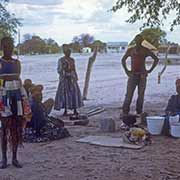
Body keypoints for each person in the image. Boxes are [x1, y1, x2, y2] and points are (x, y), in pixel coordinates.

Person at [0, 37, 27, 168]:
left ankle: (14, 158)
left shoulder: (17, 63)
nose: (8, 49)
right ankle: (4, 158)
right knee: (4, 129)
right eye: (6, 46)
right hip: (3, 98)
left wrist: (23, 98)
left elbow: (18, 80)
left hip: (16, 98)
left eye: (10, 46)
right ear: (2, 47)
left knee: (16, 128)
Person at [122, 34, 159, 115]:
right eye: (136, 40)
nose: (138, 41)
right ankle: (125, 111)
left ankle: (139, 111)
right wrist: (127, 71)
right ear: (135, 40)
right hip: (132, 75)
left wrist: (149, 70)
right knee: (129, 94)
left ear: (142, 41)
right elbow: (123, 60)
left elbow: (156, 59)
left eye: (139, 40)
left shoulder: (145, 50)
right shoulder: (131, 50)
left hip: (142, 75)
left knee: (141, 95)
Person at [54, 47, 83, 116]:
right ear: (64, 53)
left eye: (69, 52)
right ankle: (65, 110)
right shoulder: (61, 60)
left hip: (72, 79)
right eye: (67, 52)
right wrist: (64, 71)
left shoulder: (72, 60)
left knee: (74, 94)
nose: (69, 54)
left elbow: (74, 68)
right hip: (64, 79)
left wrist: (75, 76)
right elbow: (59, 70)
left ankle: (75, 109)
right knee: (65, 94)